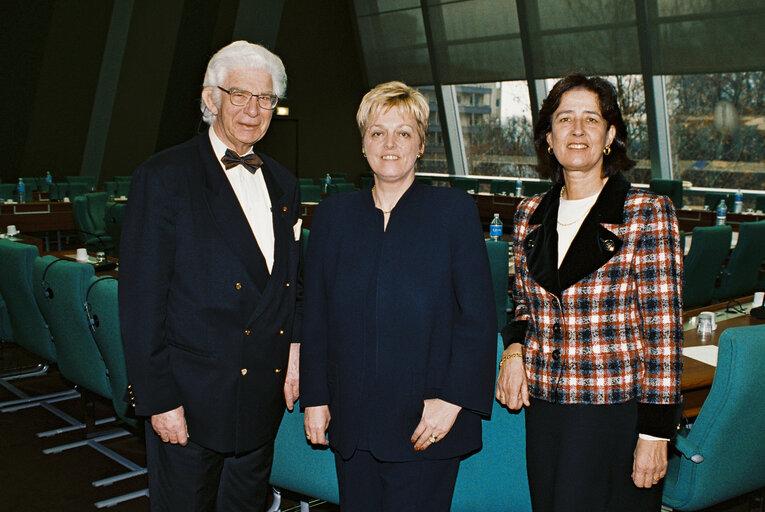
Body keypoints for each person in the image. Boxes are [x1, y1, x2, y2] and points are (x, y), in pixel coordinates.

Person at [119, 41, 302, 511]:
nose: (252, 109)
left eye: (265, 98)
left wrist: (296, 348)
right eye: (238, 94)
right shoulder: (163, 177)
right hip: (189, 404)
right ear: (210, 98)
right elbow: (141, 303)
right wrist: (158, 400)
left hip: (258, 401)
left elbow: (288, 286)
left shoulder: (283, 183)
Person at [300, 81, 496, 511]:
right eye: (377, 132)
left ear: (421, 144)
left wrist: (453, 400)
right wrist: (315, 397)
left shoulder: (454, 213)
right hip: (351, 419)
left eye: (403, 133)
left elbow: (478, 318)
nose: (390, 144)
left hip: (427, 420)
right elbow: (314, 315)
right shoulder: (333, 217)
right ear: (364, 145)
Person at [496, 74, 683, 512]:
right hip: (546, 411)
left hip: (614, 412)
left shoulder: (646, 213)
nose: (577, 131)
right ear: (548, 137)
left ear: (609, 136)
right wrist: (514, 351)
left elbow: (664, 333)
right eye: (564, 119)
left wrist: (655, 435)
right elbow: (524, 302)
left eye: (591, 119)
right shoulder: (528, 214)